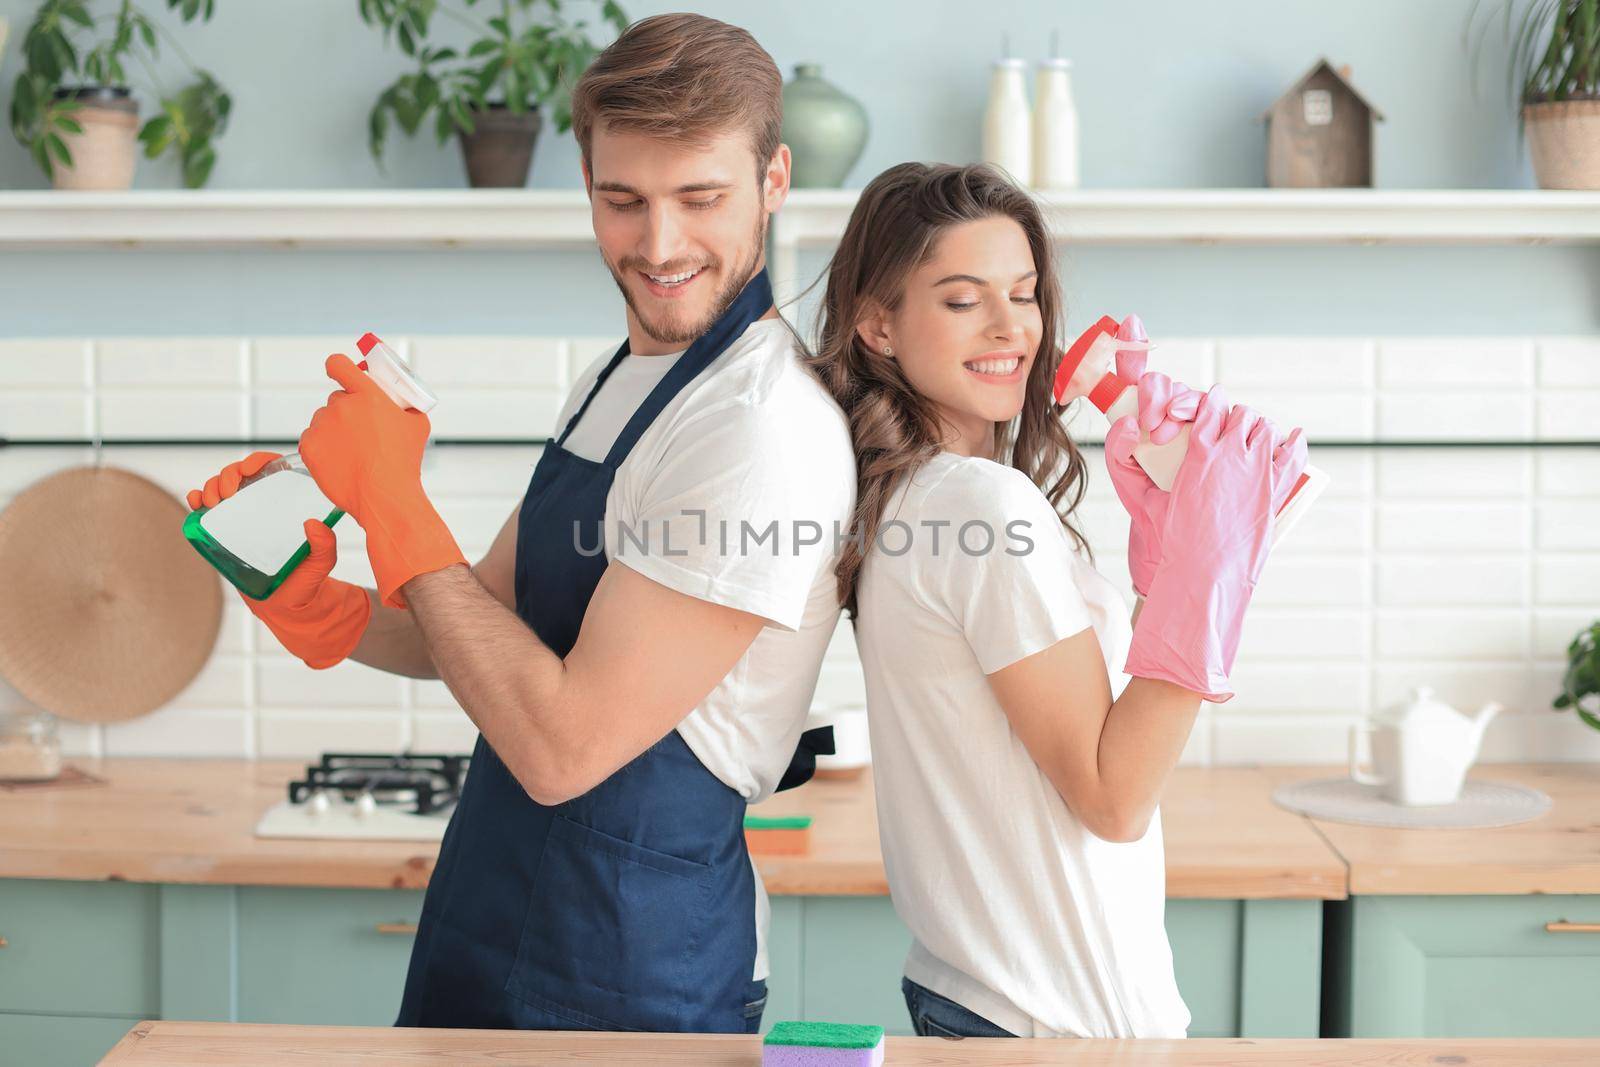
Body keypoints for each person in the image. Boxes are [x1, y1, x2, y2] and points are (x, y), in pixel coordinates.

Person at [186, 14, 853, 1034]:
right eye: (621, 200)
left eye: (701, 199)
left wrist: (396, 505)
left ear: (774, 179)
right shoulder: (617, 380)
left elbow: (562, 746)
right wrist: (323, 606)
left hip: (629, 965)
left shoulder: (760, 428)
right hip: (489, 913)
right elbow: (485, 621)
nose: (660, 243)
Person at [806, 162, 1306, 1039]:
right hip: (1052, 1025)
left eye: (1026, 294)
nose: (1012, 327)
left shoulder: (916, 496)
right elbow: (1114, 796)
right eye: (963, 300)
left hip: (983, 995)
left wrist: (1165, 570)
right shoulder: (981, 505)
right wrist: (1204, 572)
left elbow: (1072, 730)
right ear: (877, 323)